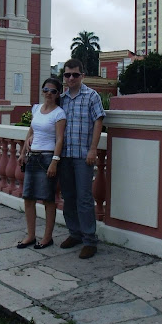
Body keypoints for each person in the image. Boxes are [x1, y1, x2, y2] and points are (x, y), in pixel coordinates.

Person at [59, 58, 106, 259]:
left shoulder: (91, 96)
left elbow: (98, 122)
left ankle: (89, 240)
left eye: (75, 74)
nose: (71, 78)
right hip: (64, 155)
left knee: (84, 198)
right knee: (68, 197)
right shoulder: (61, 99)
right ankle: (74, 233)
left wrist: (93, 149)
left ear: (82, 76)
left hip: (83, 155)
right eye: (67, 75)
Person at [17, 78, 66, 250]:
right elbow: (31, 131)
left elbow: (60, 139)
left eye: (52, 91)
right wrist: (23, 153)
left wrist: (55, 161)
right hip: (33, 156)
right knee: (28, 197)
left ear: (58, 93)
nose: (48, 94)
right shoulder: (36, 109)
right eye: (46, 90)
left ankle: (47, 237)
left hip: (47, 158)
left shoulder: (59, 113)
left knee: (47, 199)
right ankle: (30, 235)